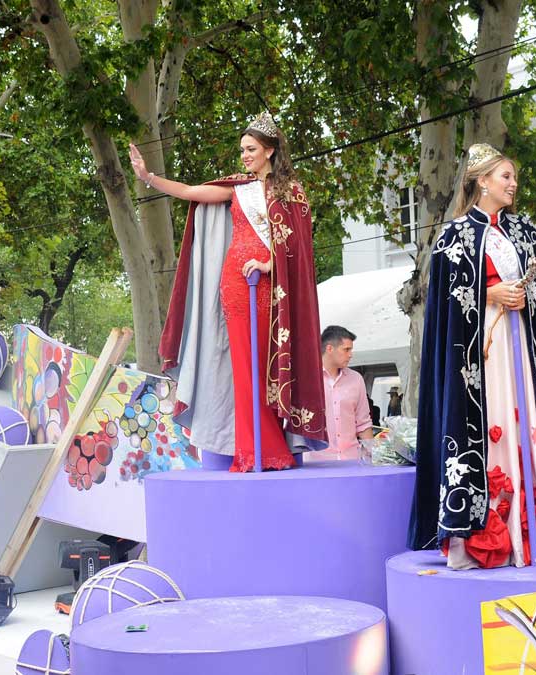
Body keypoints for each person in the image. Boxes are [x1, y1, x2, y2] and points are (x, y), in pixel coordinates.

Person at [409, 143, 536, 570]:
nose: (513, 185)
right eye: (505, 177)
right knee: (492, 426)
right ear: (481, 181)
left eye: (514, 178)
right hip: (481, 360)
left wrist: (525, 296)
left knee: (531, 425)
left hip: (522, 350)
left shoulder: (525, 232)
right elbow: (444, 307)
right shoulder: (452, 237)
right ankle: (483, 535)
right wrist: (489, 293)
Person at [133, 112, 327, 471]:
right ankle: (254, 450)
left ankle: (270, 448)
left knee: (263, 368)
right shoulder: (238, 188)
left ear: (269, 151)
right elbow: (192, 192)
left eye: (251, 149)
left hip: (269, 290)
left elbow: (299, 246)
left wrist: (271, 263)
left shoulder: (291, 192)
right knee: (242, 370)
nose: (244, 156)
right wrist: (149, 177)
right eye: (242, 150)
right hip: (235, 287)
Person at [320, 325, 373, 460]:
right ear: (329, 348)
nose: (351, 355)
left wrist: (373, 457)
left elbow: (363, 423)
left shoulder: (356, 379)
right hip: (317, 463)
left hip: (352, 460)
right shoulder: (307, 380)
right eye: (346, 349)